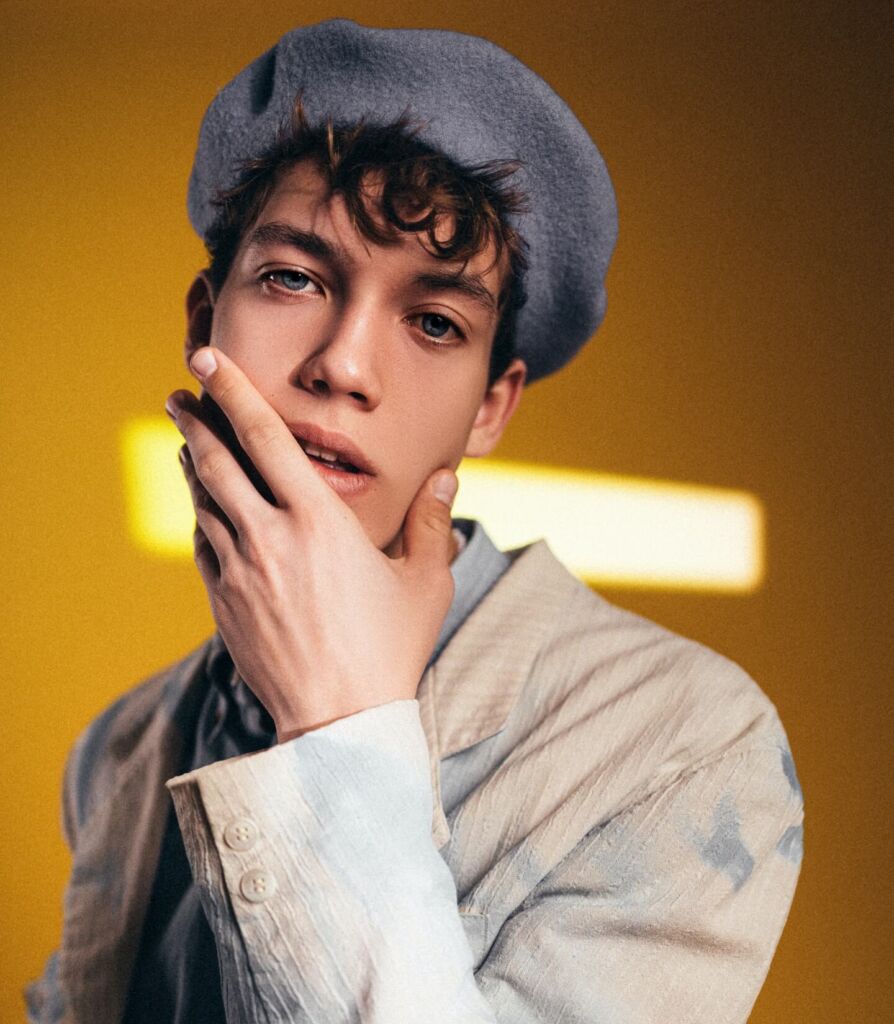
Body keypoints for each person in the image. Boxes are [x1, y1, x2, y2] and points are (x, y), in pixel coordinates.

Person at [27, 19, 803, 1024]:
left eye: (435, 322)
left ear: (490, 407)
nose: (345, 365)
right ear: (202, 321)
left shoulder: (680, 745)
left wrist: (336, 727)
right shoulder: (122, 748)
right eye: (294, 278)